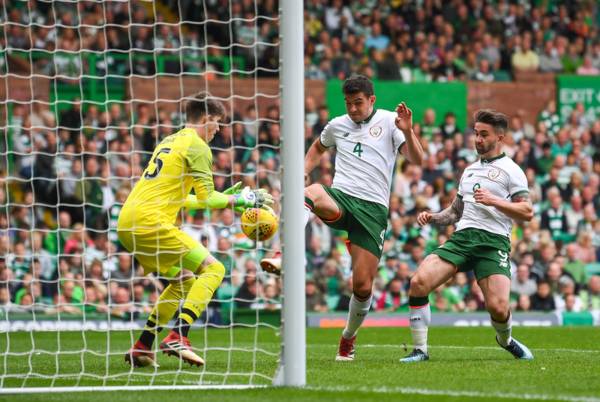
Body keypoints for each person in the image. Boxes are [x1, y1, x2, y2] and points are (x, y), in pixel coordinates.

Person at [261, 74, 423, 360]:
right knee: (308, 192)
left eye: (358, 103)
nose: (352, 109)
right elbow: (317, 148)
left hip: (373, 211)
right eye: (348, 103)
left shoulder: (389, 122)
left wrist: (408, 131)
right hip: (342, 198)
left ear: (371, 100)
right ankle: (282, 252)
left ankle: (348, 337)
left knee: (361, 286)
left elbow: (418, 159)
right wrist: (303, 169)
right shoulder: (337, 125)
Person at [118, 92, 272, 368]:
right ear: (206, 119)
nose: (219, 129)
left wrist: (228, 198)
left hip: (128, 221)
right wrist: (238, 200)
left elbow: (183, 198)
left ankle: (143, 345)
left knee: (184, 283)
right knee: (215, 270)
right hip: (151, 221)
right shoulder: (199, 146)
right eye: (218, 123)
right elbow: (207, 199)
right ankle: (179, 335)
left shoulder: (170, 140)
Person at [400, 109, 534, 363]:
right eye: (476, 134)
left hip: (493, 241)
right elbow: (455, 212)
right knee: (418, 281)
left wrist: (494, 200)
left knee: (498, 307)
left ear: (500, 137)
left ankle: (505, 340)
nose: (478, 139)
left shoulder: (512, 170)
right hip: (462, 239)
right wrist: (434, 217)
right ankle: (420, 350)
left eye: (484, 135)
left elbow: (526, 211)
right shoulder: (470, 171)